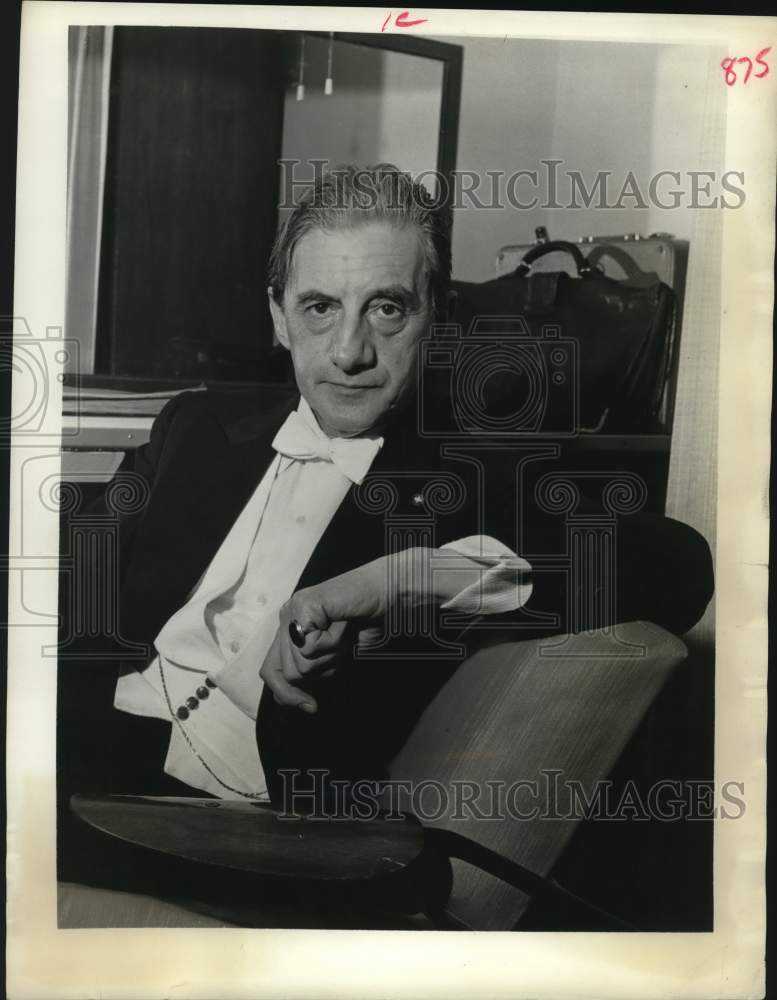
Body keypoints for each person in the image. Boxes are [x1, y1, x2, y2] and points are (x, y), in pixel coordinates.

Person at [58, 164, 713, 904]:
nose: (348, 352)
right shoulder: (198, 428)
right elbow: (70, 584)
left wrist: (400, 581)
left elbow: (677, 564)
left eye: (387, 309)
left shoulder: (474, 470)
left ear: (439, 314)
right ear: (276, 316)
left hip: (241, 822)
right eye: (317, 308)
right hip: (87, 742)